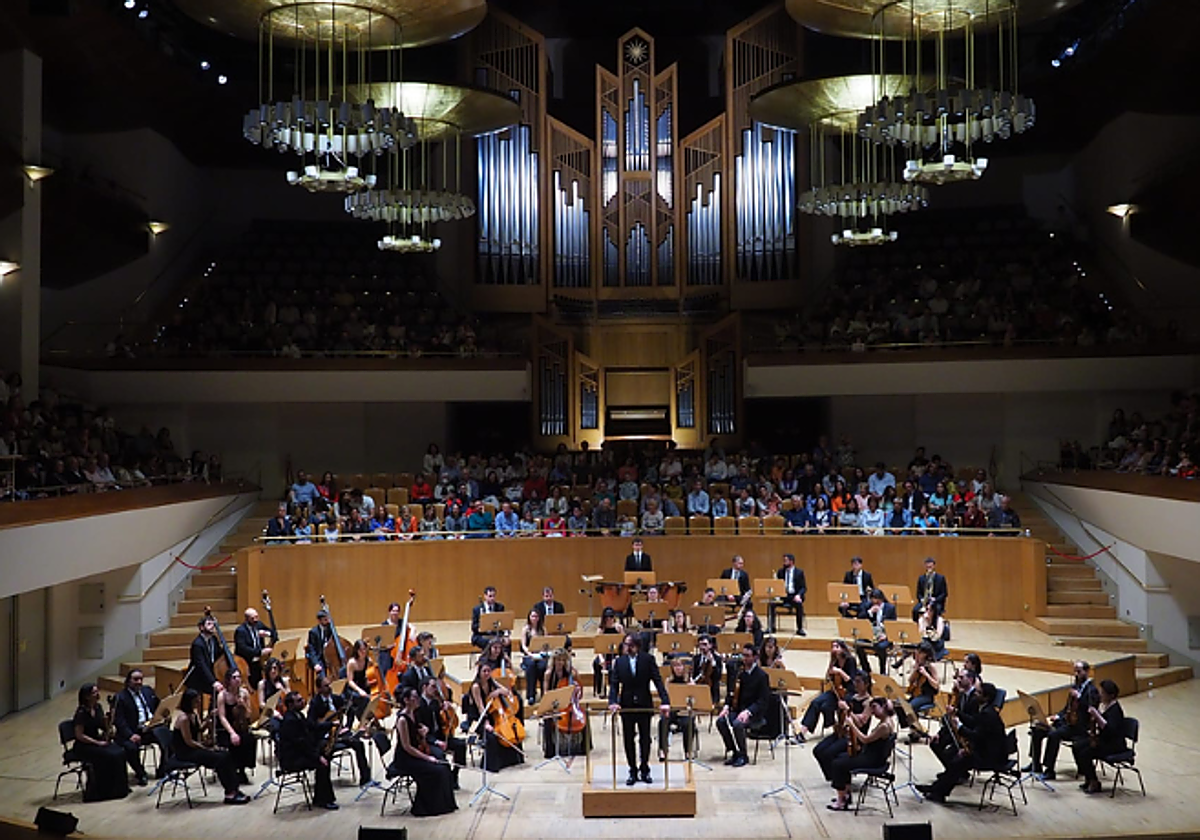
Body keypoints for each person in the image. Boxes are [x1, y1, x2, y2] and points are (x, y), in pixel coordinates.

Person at [918, 682, 1008, 803]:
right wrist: (957, 712)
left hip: (991, 756)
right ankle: (936, 788)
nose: (975, 694)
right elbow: (973, 721)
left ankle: (938, 793)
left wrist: (959, 727)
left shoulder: (988, 715)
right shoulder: (985, 710)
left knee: (959, 762)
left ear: (986, 697)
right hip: (986, 749)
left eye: (978, 692)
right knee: (956, 760)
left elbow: (976, 736)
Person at [607, 633, 670, 785]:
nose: (626, 647)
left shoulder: (648, 659)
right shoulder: (620, 662)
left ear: (636, 645)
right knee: (628, 739)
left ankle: (644, 768)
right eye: (625, 644)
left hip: (644, 704)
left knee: (645, 738)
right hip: (627, 705)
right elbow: (614, 684)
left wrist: (665, 700)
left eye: (629, 644)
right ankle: (632, 769)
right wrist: (613, 701)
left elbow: (657, 680)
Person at [387, 687, 459, 816]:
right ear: (406, 700)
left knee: (444, 765)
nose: (418, 700)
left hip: (417, 751)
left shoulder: (415, 713)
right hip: (406, 759)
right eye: (414, 697)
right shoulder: (402, 720)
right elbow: (407, 747)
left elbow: (418, 732)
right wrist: (427, 758)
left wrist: (424, 731)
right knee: (436, 771)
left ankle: (446, 804)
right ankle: (424, 808)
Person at [172, 689, 250, 804]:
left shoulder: (193, 714)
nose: (198, 702)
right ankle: (230, 794)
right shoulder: (183, 718)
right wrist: (206, 748)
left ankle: (234, 788)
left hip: (194, 748)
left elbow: (199, 729)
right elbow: (189, 741)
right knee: (220, 759)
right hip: (186, 752)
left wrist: (209, 718)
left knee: (226, 755)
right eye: (196, 700)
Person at [1025, 660, 1099, 780]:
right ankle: (1035, 764)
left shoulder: (1092, 690)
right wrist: (1058, 716)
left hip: (1079, 726)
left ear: (1087, 672)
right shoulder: (1076, 686)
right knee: (1037, 728)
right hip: (1067, 722)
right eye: (1075, 671)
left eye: (1079, 672)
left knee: (1054, 735)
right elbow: (1067, 708)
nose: (1076, 674)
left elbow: (1092, 709)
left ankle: (1049, 770)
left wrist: (1079, 698)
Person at [827, 696, 895, 811]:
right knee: (841, 757)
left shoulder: (884, 726)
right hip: (872, 755)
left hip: (873, 760)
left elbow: (865, 739)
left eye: (874, 707)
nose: (872, 712)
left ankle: (841, 801)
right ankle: (846, 794)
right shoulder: (887, 721)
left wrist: (852, 725)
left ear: (883, 707)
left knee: (837, 764)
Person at [307, 674, 373, 786]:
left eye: (329, 685)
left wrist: (347, 726)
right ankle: (323, 785)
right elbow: (311, 725)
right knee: (326, 753)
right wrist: (330, 724)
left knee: (358, 744)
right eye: (326, 686)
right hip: (325, 736)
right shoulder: (315, 703)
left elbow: (350, 711)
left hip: (339, 733)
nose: (329, 687)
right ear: (319, 689)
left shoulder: (336, 698)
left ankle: (365, 778)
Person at [277, 690, 338, 810]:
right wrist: (317, 757)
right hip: (292, 759)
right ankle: (323, 800)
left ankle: (320, 796)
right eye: (299, 701)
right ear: (290, 705)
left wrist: (331, 725)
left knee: (325, 755)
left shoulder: (298, 715)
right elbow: (301, 744)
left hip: (300, 753)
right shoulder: (290, 721)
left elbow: (313, 727)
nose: (303, 702)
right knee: (322, 765)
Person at [72, 684, 131, 801]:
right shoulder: (81, 712)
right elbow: (80, 735)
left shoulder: (98, 707)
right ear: (87, 696)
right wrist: (97, 743)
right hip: (84, 745)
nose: (98, 694)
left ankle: (119, 788)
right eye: (94, 692)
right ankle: (102, 791)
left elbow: (102, 726)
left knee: (120, 752)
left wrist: (109, 724)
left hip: (97, 741)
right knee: (110, 755)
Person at [813, 671, 873, 784]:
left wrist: (847, 709)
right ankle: (833, 777)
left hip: (854, 737)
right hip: (842, 732)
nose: (855, 684)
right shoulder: (852, 697)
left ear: (866, 684)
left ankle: (839, 781)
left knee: (829, 753)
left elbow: (861, 723)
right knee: (818, 750)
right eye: (855, 681)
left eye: (859, 682)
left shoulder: (869, 702)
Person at [716, 643, 770, 767]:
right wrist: (726, 707)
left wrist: (748, 712)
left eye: (747, 656)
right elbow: (732, 692)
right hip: (739, 709)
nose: (744, 659)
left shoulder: (762, 676)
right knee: (721, 721)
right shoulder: (739, 673)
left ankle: (743, 755)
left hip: (754, 713)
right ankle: (734, 751)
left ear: (755, 657)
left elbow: (763, 701)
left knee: (737, 724)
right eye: (743, 655)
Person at [1071, 679, 1128, 794]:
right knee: (1077, 746)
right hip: (1104, 740)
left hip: (1114, 745)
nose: (1100, 695)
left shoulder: (1116, 710)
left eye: (1102, 693)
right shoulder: (1106, 706)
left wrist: (1096, 715)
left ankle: (1094, 782)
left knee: (1085, 753)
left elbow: (1109, 729)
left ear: (1110, 695)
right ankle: (1088, 777)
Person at [470, 662, 525, 772]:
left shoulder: (492, 682)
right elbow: (480, 707)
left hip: (494, 714)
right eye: (484, 671)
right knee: (492, 736)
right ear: (479, 673)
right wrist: (486, 724)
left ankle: (512, 760)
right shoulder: (476, 687)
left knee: (512, 731)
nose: (486, 673)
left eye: (488, 671)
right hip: (480, 718)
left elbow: (507, 692)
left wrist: (498, 691)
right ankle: (492, 765)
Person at [799, 640, 859, 740]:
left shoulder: (850, 660)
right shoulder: (834, 661)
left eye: (836, 646)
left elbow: (852, 681)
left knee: (826, 706)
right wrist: (830, 668)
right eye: (832, 647)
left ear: (843, 648)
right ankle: (802, 732)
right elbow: (828, 679)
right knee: (815, 702)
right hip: (835, 691)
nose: (834, 649)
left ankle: (836, 726)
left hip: (849, 692)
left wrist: (840, 672)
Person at [415, 676, 466, 787]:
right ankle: (444, 783)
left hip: (441, 735)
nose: (436, 690)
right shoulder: (418, 706)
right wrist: (436, 742)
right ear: (424, 687)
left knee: (461, 745)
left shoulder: (435, 702)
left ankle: (454, 776)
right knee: (440, 756)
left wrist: (448, 710)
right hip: (427, 741)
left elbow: (446, 722)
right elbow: (419, 731)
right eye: (433, 687)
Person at [112, 669, 160, 785]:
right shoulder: (120, 697)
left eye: (140, 679)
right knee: (131, 748)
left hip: (149, 728)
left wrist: (164, 715)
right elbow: (119, 720)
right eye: (135, 679)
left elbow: (158, 706)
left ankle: (163, 769)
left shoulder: (147, 691)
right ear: (128, 681)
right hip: (132, 731)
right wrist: (130, 735)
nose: (139, 682)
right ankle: (140, 773)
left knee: (168, 737)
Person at [541, 648, 588, 759]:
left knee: (585, 715)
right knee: (547, 719)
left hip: (570, 704)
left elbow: (580, 691)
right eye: (558, 660)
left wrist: (578, 689)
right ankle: (550, 750)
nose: (560, 663)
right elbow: (545, 692)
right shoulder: (548, 674)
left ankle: (584, 747)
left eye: (563, 660)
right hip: (554, 705)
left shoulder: (572, 672)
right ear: (554, 660)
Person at [215, 669, 256, 784]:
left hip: (241, 726)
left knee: (249, 740)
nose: (238, 680)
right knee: (233, 742)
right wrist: (232, 733)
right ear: (228, 680)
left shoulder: (244, 693)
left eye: (239, 677)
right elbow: (222, 717)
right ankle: (233, 769)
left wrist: (243, 705)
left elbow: (249, 715)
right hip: (226, 728)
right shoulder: (222, 695)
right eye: (234, 677)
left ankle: (242, 769)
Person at [658, 657, 696, 760]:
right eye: (675, 666)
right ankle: (663, 750)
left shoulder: (689, 680)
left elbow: (694, 699)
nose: (678, 668)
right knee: (663, 722)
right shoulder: (668, 681)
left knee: (688, 723)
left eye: (679, 666)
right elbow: (665, 698)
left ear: (684, 667)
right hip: (672, 710)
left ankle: (688, 751)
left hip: (684, 712)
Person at [233, 606, 274, 690]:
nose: (255, 620)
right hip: (246, 662)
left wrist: (267, 634)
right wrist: (260, 652)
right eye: (252, 618)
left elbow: (274, 634)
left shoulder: (258, 625)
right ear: (246, 619)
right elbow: (242, 648)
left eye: (256, 617)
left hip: (258, 662)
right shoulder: (240, 631)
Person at [856, 589, 897, 674]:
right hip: (870, 635)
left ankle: (882, 670)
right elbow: (860, 618)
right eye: (873, 600)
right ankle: (866, 669)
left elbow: (893, 625)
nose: (875, 602)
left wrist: (886, 636)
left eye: (877, 600)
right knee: (858, 644)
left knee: (881, 647)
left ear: (882, 599)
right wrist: (870, 612)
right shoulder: (867, 606)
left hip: (885, 636)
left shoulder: (890, 608)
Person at [186, 614, 223, 696]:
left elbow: (219, 654)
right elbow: (201, 665)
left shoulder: (213, 639)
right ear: (201, 627)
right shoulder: (197, 644)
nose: (212, 626)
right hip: (199, 678)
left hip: (211, 673)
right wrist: (213, 682)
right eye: (209, 624)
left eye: (213, 624)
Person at [592, 607, 625, 697]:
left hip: (616, 655)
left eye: (611, 617)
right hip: (604, 655)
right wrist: (601, 659)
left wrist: (619, 656)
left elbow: (624, 645)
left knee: (613, 668)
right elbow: (598, 647)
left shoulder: (619, 628)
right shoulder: (601, 630)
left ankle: (613, 690)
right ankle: (600, 690)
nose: (609, 620)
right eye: (607, 618)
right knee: (596, 664)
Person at [772, 553, 806, 635]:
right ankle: (771, 627)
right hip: (783, 596)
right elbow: (778, 585)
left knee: (799, 604)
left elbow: (803, 587)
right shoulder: (781, 572)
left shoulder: (799, 572)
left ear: (791, 561)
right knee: (771, 604)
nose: (784, 563)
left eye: (786, 561)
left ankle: (800, 628)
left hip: (794, 596)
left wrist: (798, 595)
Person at [519, 609, 548, 705]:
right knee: (531, 666)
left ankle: (544, 693)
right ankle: (531, 695)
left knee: (542, 667)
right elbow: (523, 645)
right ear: (529, 617)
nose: (534, 618)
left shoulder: (543, 629)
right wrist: (530, 653)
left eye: (536, 616)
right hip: (529, 655)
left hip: (540, 655)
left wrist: (542, 652)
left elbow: (546, 643)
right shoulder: (525, 629)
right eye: (532, 616)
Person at [913, 556, 948, 621]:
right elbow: (918, 593)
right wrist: (922, 599)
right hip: (924, 601)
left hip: (936, 602)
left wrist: (935, 599)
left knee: (935, 610)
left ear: (934, 566)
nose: (929, 568)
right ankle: (917, 627)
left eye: (930, 567)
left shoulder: (941, 578)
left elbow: (944, 593)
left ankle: (933, 628)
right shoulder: (921, 578)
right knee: (915, 610)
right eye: (927, 567)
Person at [305, 609, 337, 679]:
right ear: (319, 621)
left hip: (329, 657)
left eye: (328, 619)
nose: (328, 621)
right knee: (322, 677)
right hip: (319, 657)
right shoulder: (313, 632)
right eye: (325, 620)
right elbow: (311, 650)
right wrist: (315, 663)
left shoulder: (330, 629)